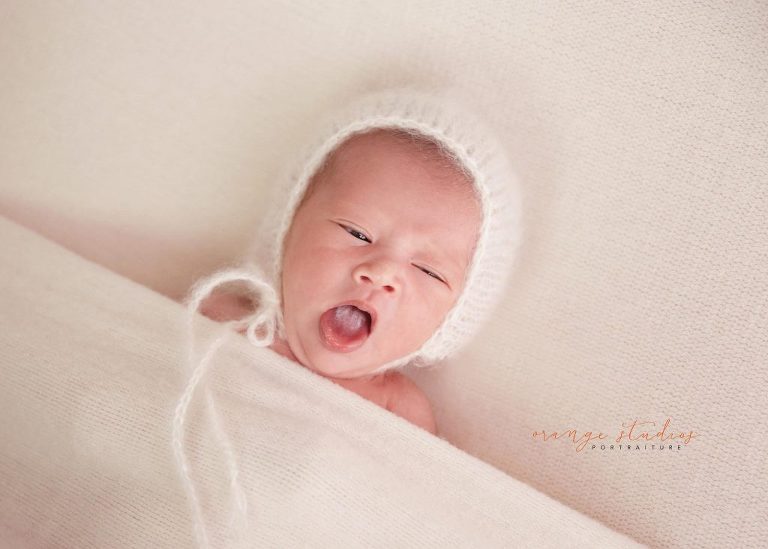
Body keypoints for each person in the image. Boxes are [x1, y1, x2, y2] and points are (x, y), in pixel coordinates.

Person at [189, 87, 522, 438]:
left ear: (452, 321)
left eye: (428, 271)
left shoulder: (399, 410)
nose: (381, 273)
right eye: (357, 233)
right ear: (286, 229)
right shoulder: (220, 320)